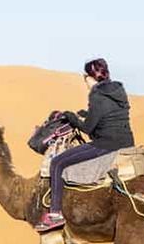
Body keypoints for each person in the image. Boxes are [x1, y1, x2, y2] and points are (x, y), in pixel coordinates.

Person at [35, 58, 135, 232]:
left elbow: (88, 128)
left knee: (57, 163)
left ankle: (55, 214)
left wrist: (71, 116)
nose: (85, 81)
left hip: (106, 144)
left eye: (85, 77)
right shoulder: (118, 90)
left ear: (91, 77)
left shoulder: (96, 95)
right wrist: (87, 113)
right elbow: (109, 115)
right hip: (125, 140)